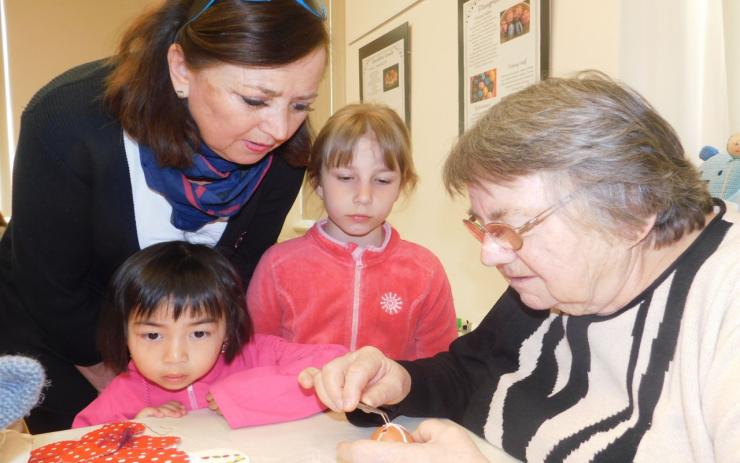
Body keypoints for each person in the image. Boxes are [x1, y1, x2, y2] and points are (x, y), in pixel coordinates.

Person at [299, 72, 740, 462]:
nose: (489, 255)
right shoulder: (555, 283)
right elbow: (475, 373)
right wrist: (401, 380)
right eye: (484, 228)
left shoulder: (723, 300)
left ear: (631, 210)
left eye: (510, 228)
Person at [0, 0, 328, 432]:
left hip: (185, 350)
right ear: (181, 69)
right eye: (254, 100)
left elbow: (235, 276)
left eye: (300, 105)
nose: (280, 129)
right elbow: (50, 286)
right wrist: (124, 388)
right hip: (65, 339)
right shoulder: (67, 122)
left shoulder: (285, 156)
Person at [247, 103, 458, 360]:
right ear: (317, 182)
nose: (363, 197)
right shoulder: (277, 265)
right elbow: (254, 356)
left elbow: (438, 370)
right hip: (293, 399)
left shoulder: (425, 271)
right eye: (346, 178)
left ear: (401, 186)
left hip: (390, 402)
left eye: (382, 181)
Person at [73, 241, 346, 428]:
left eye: (199, 333)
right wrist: (133, 432)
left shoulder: (257, 354)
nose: (175, 357)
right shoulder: (125, 392)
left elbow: (338, 364)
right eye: (153, 336)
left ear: (227, 329)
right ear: (126, 334)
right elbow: (78, 441)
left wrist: (242, 394)